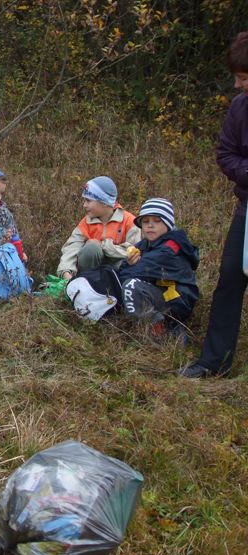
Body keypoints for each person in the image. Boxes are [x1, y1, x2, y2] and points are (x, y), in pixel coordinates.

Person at [181, 32, 248, 378]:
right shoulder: (240, 108)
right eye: (237, 76)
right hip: (247, 210)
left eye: (243, 77)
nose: (237, 84)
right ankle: (214, 362)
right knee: (230, 280)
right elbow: (226, 154)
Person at [118, 198, 199, 337]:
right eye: (145, 221)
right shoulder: (144, 245)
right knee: (125, 284)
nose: (150, 225)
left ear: (168, 224)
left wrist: (130, 267)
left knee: (131, 286)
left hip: (176, 301)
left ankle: (161, 330)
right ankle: (165, 327)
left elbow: (136, 272)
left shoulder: (171, 247)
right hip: (159, 294)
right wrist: (129, 265)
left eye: (157, 221)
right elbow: (123, 269)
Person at [56, 175, 141, 280]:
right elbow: (71, 249)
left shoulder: (129, 221)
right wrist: (66, 272)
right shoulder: (86, 223)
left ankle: (117, 289)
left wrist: (103, 246)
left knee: (121, 259)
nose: (84, 205)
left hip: (119, 274)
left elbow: (136, 251)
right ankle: (88, 286)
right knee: (91, 249)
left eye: (88, 201)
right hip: (90, 274)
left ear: (104, 202)